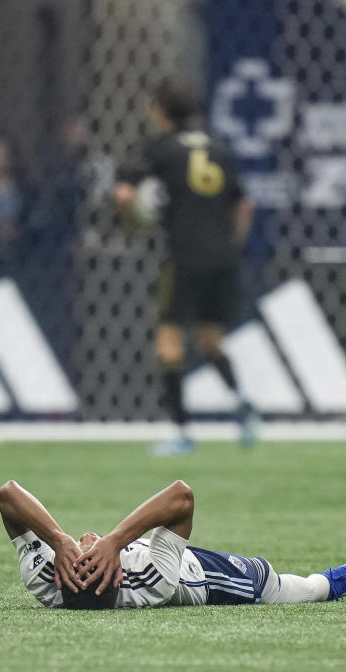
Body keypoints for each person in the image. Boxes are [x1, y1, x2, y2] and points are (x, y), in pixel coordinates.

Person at [114, 78, 259, 456]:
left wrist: (134, 217)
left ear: (158, 111)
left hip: (183, 255)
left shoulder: (159, 149)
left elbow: (125, 194)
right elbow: (244, 206)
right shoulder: (219, 148)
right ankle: (242, 402)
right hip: (223, 257)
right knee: (211, 339)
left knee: (169, 340)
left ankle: (181, 431)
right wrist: (230, 244)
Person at [0, 479, 346, 610]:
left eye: (77, 556)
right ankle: (330, 584)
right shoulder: (154, 580)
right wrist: (115, 540)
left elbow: (8, 494)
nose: (86, 545)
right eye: (90, 557)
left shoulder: (43, 577)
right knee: (272, 586)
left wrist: (58, 539)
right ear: (115, 576)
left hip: (150, 546)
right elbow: (181, 496)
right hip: (198, 578)